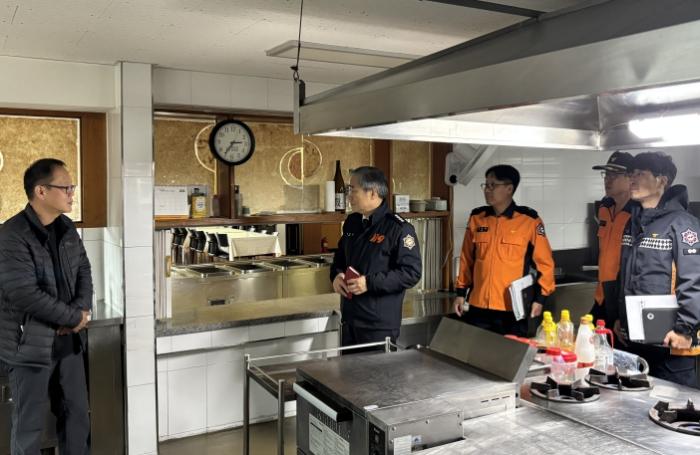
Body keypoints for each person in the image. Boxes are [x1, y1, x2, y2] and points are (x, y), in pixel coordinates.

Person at [0, 159, 92, 454]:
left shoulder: (66, 228)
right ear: (41, 191)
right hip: (30, 348)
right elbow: (24, 293)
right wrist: (73, 317)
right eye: (66, 187)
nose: (72, 193)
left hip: (69, 344)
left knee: (77, 418)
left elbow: (83, 270)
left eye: (72, 187)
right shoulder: (11, 234)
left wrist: (80, 311)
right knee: (28, 428)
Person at [613, 152, 700, 387]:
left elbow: (694, 280)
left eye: (640, 174)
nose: (632, 180)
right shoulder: (632, 222)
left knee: (676, 404)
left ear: (662, 180)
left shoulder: (683, 224)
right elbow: (626, 275)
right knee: (633, 403)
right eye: (631, 174)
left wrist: (685, 330)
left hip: (671, 343)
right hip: (634, 339)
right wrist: (620, 318)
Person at [453, 164, 555, 337]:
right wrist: (460, 293)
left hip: (512, 309)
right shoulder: (477, 218)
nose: (487, 190)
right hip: (479, 307)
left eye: (493, 185)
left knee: (511, 352)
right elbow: (466, 259)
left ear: (509, 188)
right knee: (476, 352)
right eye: (486, 185)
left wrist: (540, 299)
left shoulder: (529, 221)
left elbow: (545, 264)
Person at [330, 166, 422, 350]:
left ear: (372, 193)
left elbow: (411, 273)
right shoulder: (352, 222)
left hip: (378, 325)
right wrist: (336, 276)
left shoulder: (398, 228)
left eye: (352, 190)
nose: (349, 196)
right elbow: (339, 258)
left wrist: (369, 283)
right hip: (350, 320)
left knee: (378, 370)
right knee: (348, 370)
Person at [590, 151, 635, 328]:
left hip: (623, 296)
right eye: (606, 174)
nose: (607, 180)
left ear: (630, 178)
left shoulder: (638, 213)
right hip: (602, 295)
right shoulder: (604, 208)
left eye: (614, 175)